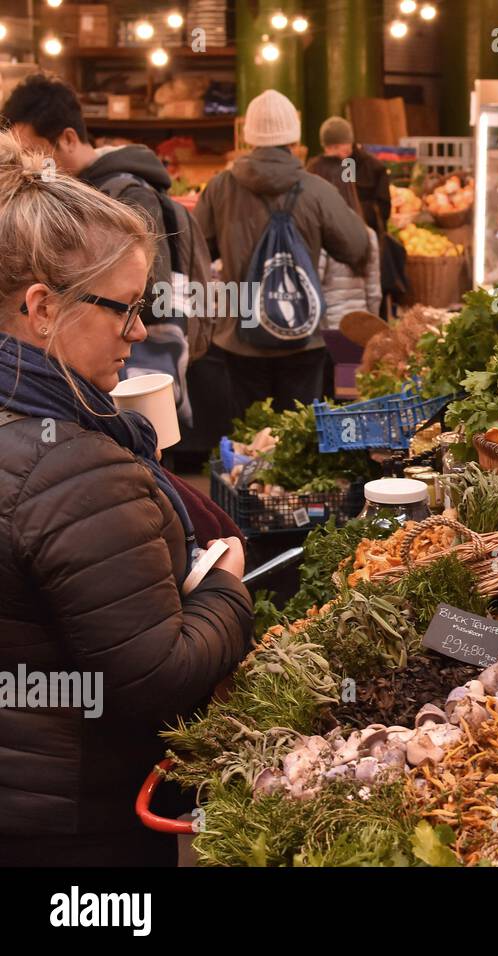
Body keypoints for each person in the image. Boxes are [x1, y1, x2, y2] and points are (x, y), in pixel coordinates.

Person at [0, 131, 252, 866]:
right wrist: (226, 590)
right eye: (123, 310)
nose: (139, 332)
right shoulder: (72, 467)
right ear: (43, 307)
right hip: (73, 819)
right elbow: (156, 674)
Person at [2, 72, 217, 430]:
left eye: (33, 152)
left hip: (128, 376)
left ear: (68, 138)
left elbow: (150, 292)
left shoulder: (128, 195)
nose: (26, 168)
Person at [196, 90, 369, 413]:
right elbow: (356, 246)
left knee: (248, 438)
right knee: (297, 439)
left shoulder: (220, 187)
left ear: (249, 138)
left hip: (239, 336)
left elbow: (197, 247)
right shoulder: (317, 189)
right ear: (294, 139)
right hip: (303, 336)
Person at [319, 115, 406, 316]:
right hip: (330, 247)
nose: (333, 154)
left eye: (337, 148)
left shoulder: (372, 167)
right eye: (329, 149)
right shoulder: (322, 167)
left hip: (363, 245)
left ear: (349, 144)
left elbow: (384, 209)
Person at [306, 154, 383, 327]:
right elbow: (374, 293)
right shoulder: (366, 232)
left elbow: (311, 290)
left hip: (328, 331)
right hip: (359, 328)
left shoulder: (320, 232)